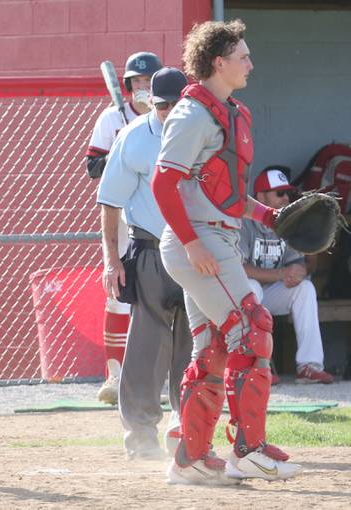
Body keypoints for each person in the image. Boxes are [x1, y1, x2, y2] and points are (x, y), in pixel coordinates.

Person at [151, 19, 303, 483]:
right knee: (252, 326)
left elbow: (228, 196)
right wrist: (194, 243)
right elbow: (163, 183)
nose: (250, 64)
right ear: (218, 62)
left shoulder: (231, 111)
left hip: (217, 237)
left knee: (215, 344)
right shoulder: (192, 113)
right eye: (242, 56)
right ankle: (248, 450)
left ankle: (192, 458)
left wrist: (271, 218)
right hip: (195, 241)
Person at [97, 67, 192, 460]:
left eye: (176, 103)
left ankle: (188, 428)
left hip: (195, 250)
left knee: (195, 345)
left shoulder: (202, 133)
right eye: (162, 104)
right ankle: (139, 434)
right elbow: (110, 201)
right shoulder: (132, 137)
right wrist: (111, 261)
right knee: (145, 345)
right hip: (150, 248)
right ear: (151, 103)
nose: (169, 111)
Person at [85, 51, 163, 404]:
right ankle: (115, 375)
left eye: (148, 82)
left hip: (159, 217)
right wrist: (120, 150)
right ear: (128, 86)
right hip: (121, 215)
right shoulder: (112, 118)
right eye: (137, 82)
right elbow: (91, 167)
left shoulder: (171, 119)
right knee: (118, 293)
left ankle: (156, 378)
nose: (142, 88)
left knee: (160, 297)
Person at [240, 167, 333, 384]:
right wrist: (282, 273)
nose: (285, 199)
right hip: (243, 297)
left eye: (287, 193)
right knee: (251, 286)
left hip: (270, 294)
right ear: (260, 196)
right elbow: (239, 269)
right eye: (279, 193)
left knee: (305, 289)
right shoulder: (244, 221)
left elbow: (297, 263)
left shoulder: (286, 222)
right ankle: (256, 366)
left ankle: (310, 366)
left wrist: (299, 272)